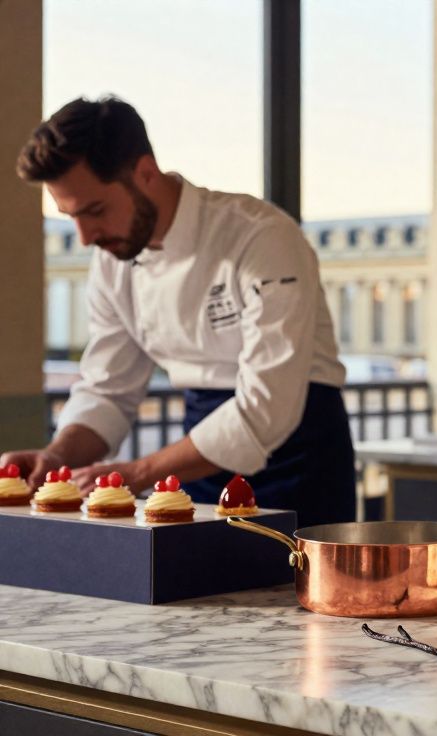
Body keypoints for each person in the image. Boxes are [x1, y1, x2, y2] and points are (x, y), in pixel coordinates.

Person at [1, 96, 355, 527]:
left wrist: (138, 473)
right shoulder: (113, 260)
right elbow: (108, 389)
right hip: (196, 461)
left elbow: (267, 406)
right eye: (70, 217)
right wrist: (55, 456)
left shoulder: (260, 236)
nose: (85, 237)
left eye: (95, 211)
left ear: (145, 172)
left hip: (300, 459)